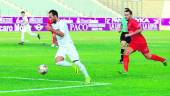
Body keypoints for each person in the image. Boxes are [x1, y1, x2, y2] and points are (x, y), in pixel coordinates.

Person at [45, 10, 91, 83]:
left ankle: (87, 78)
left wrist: (51, 29)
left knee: (78, 63)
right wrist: (55, 40)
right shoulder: (53, 24)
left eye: (50, 17)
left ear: (55, 16)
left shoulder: (62, 23)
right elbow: (54, 34)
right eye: (49, 17)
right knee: (58, 61)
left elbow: (62, 34)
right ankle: (72, 65)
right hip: (62, 47)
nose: (49, 19)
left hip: (69, 46)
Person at [120, 9, 167, 74]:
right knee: (126, 52)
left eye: (127, 15)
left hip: (140, 42)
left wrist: (130, 34)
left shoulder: (133, 21)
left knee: (148, 56)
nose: (126, 16)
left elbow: (140, 29)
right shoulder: (128, 22)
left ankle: (163, 60)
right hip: (134, 42)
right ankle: (125, 71)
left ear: (131, 15)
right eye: (125, 15)